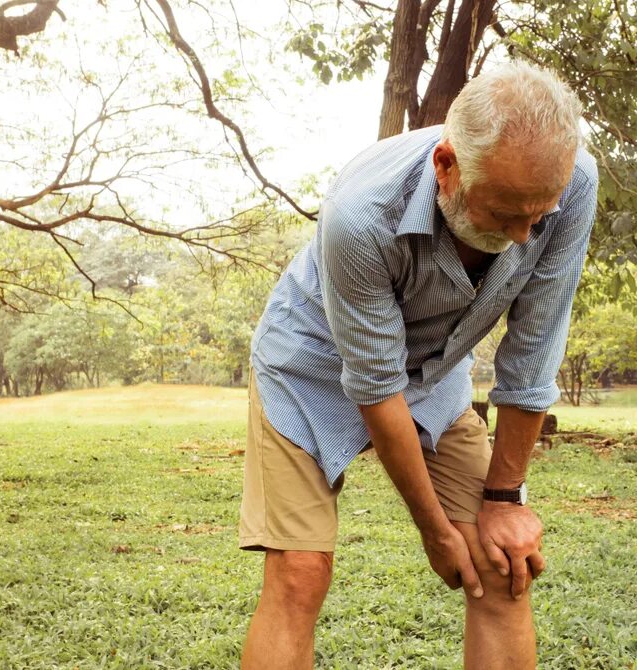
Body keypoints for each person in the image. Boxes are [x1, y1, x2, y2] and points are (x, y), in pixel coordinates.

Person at [239, 61, 597, 669]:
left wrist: (504, 499)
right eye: (503, 213)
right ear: (447, 166)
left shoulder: (572, 181)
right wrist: (434, 531)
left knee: (497, 562)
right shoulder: (360, 213)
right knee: (300, 573)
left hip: (436, 371)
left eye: (537, 215)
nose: (521, 236)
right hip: (309, 366)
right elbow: (376, 388)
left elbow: (533, 349)